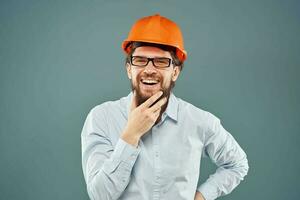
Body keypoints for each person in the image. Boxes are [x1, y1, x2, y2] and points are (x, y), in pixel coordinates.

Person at [81, 14, 249, 200]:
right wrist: (131, 135)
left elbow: (237, 164)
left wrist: (202, 196)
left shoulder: (200, 121)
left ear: (175, 72)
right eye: (140, 60)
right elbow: (100, 196)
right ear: (129, 69)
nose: (150, 69)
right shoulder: (102, 118)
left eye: (161, 61)